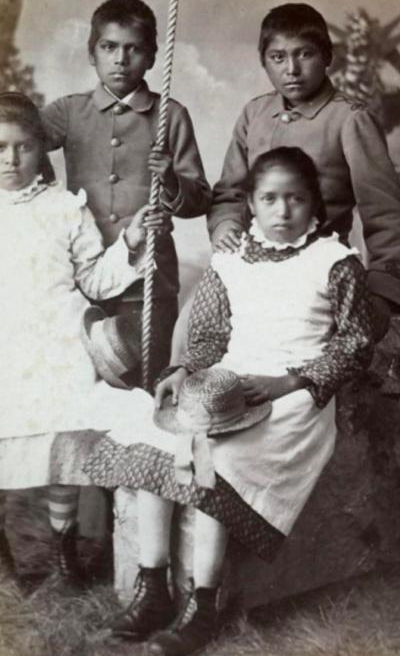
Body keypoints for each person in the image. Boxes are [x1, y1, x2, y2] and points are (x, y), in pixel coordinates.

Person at [0, 0, 211, 561]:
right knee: (75, 407)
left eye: (134, 50)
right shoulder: (68, 111)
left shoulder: (169, 115)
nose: (121, 60)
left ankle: (131, 538)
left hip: (140, 280)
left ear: (152, 56)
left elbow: (200, 195)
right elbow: (8, 129)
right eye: (109, 48)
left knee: (133, 403)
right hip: (79, 286)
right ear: (92, 53)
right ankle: (91, 538)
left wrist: (172, 185)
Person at [76, 147, 377, 656]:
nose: (283, 212)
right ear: (251, 207)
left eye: (296, 199)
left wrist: (290, 382)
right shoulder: (231, 261)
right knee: (161, 437)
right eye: (270, 199)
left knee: (217, 458)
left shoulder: (335, 262)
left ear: (315, 206)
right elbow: (211, 334)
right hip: (225, 382)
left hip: (295, 394)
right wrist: (181, 371)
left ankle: (205, 602)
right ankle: (153, 588)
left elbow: (355, 343)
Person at [0, 92, 165, 589]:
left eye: (25, 147)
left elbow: (95, 280)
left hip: (58, 338)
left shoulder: (64, 207)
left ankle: (63, 544)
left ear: (41, 151)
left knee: (63, 439)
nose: (12, 159)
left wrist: (132, 245)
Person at [208, 2, 400, 329]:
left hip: (320, 273)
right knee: (195, 336)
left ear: (327, 57)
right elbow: (230, 192)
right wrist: (225, 224)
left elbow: (384, 214)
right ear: (264, 63)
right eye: (278, 57)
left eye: (304, 54)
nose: (291, 69)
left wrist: (381, 292)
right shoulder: (254, 115)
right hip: (252, 267)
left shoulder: (351, 119)